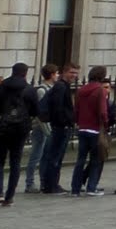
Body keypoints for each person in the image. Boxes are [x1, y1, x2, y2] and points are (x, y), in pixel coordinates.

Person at [0, 62, 35, 207]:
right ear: (25, 73)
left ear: (12, 72)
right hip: (20, 129)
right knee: (15, 162)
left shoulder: (0, 88)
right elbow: (35, 110)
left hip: (1, 128)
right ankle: (9, 196)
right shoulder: (29, 90)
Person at [71, 65, 112, 197]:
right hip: (95, 129)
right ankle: (91, 187)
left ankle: (75, 189)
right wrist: (105, 124)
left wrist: (78, 122)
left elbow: (76, 109)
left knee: (80, 159)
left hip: (82, 128)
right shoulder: (100, 91)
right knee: (96, 159)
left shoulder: (81, 90)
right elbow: (102, 111)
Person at [39, 64, 76, 195]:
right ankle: (51, 185)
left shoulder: (62, 86)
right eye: (71, 72)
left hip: (60, 125)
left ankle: (52, 184)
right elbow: (58, 106)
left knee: (55, 156)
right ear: (64, 72)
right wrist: (64, 121)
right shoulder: (61, 86)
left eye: (76, 73)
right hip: (60, 126)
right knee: (55, 157)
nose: (74, 75)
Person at [22, 65, 53, 193]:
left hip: (48, 126)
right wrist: (48, 130)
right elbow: (40, 113)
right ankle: (29, 183)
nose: (58, 76)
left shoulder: (51, 89)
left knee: (45, 156)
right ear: (51, 74)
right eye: (56, 73)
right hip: (41, 128)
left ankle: (44, 182)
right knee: (36, 156)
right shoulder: (41, 90)